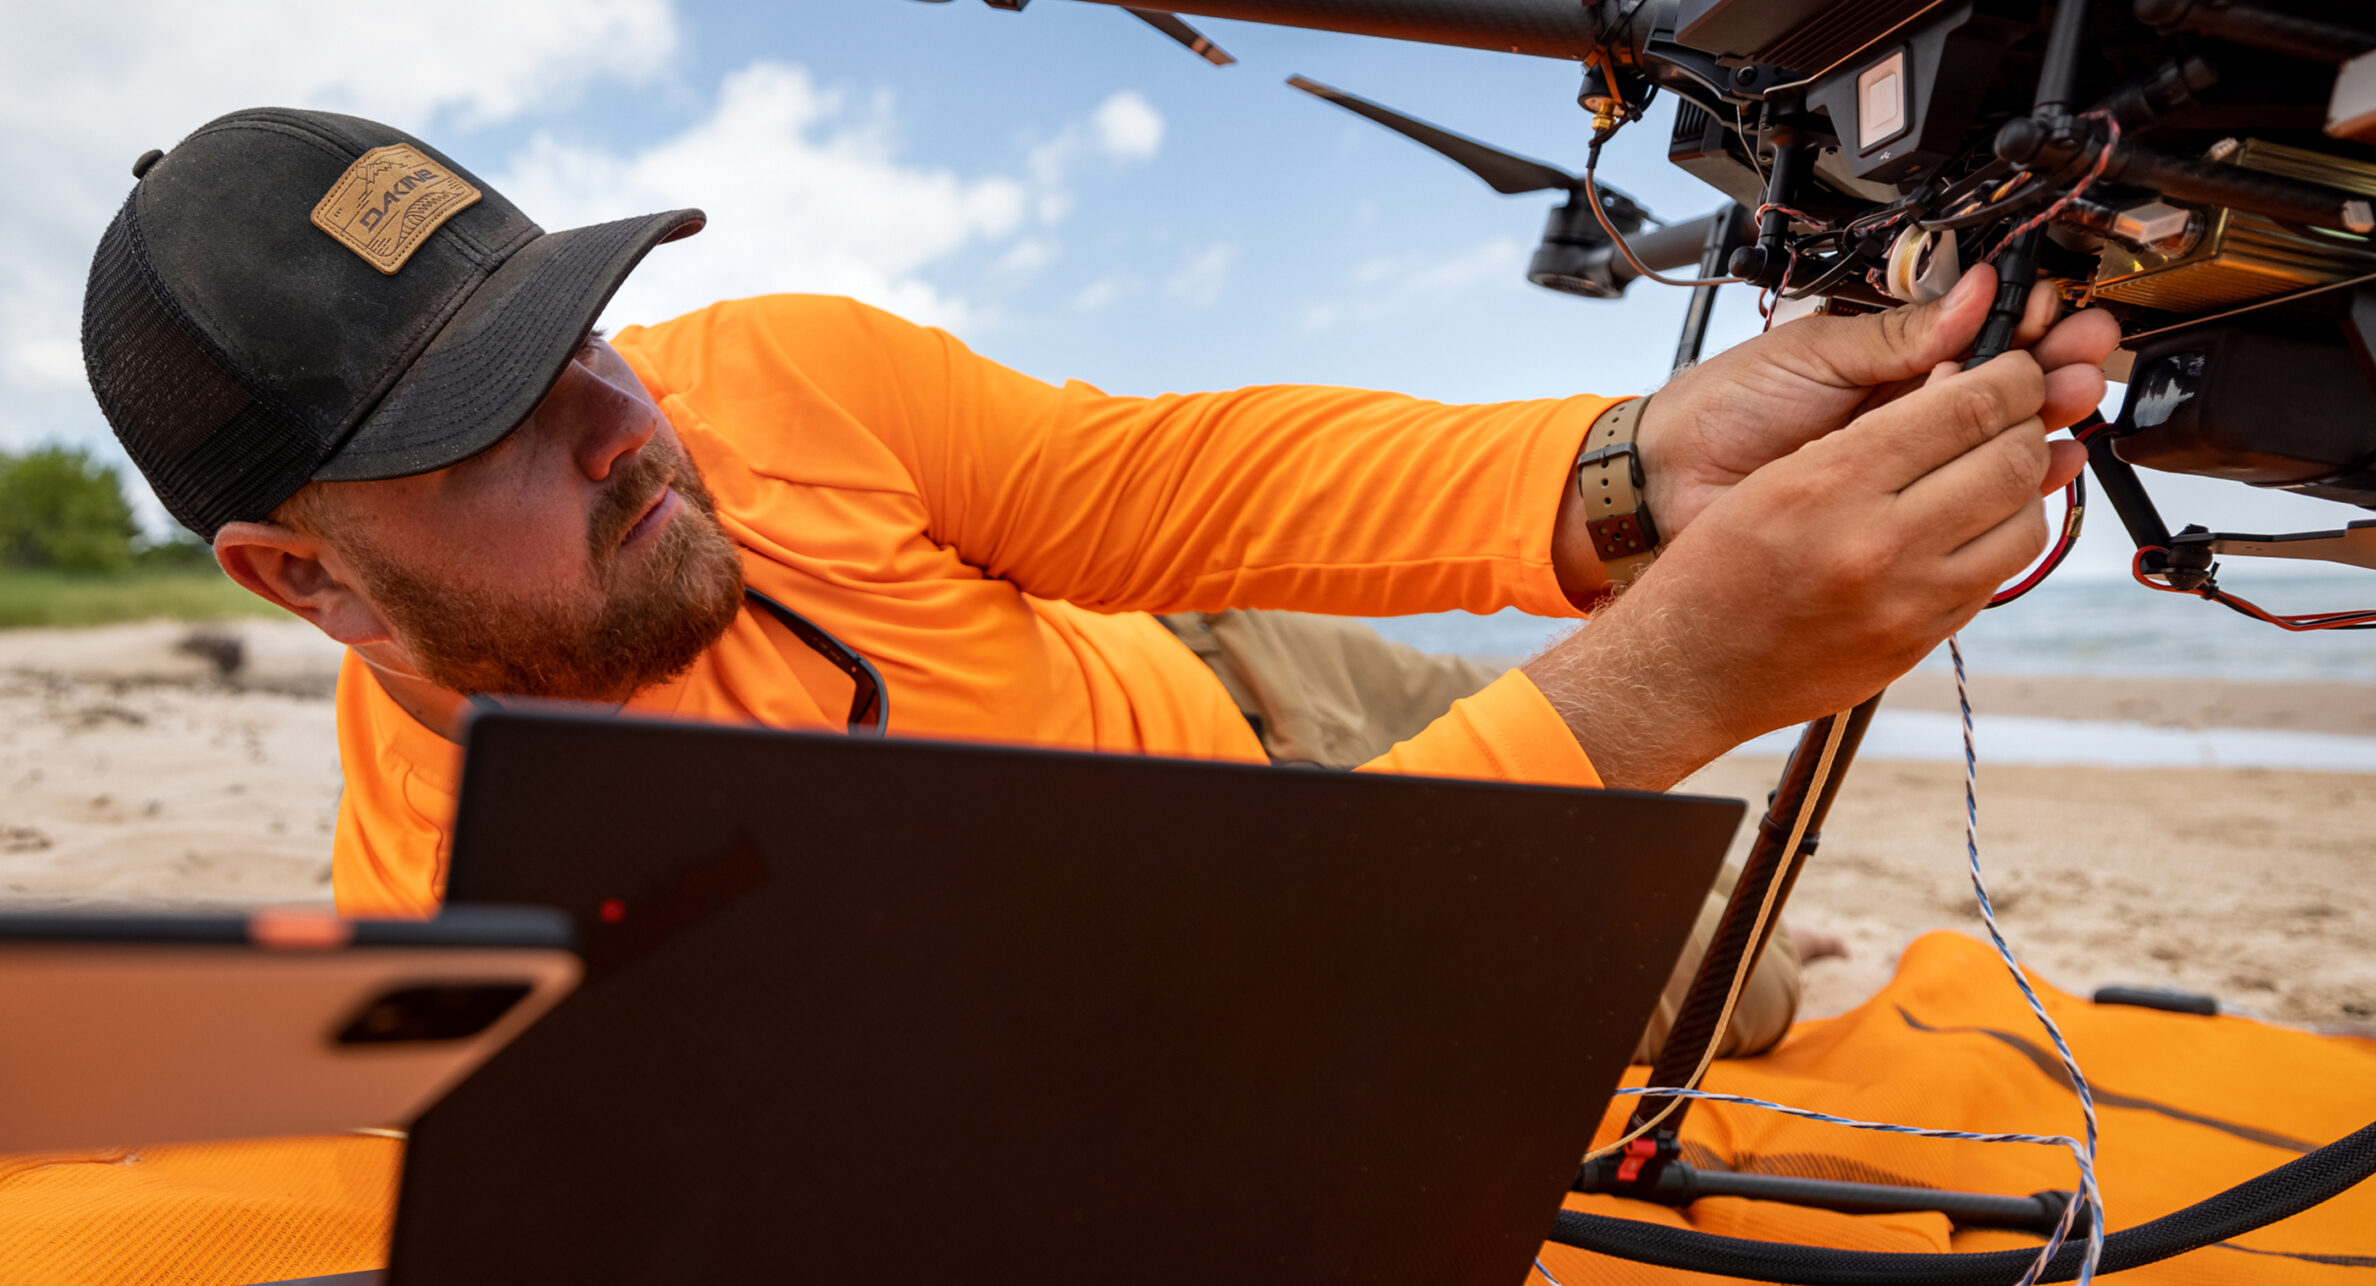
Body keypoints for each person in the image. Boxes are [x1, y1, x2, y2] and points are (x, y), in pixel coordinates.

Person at [83, 108, 2114, 1058]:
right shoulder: (481, 950)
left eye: (581, 331)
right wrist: (1639, 697)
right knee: (1736, 1017)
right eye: (487, 417)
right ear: (304, 577)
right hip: (1263, 903)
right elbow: (1142, 1057)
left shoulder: (770, 375)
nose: (622, 427)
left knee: (1708, 933)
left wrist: (1635, 466)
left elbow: (1159, 481)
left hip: (1236, 673)